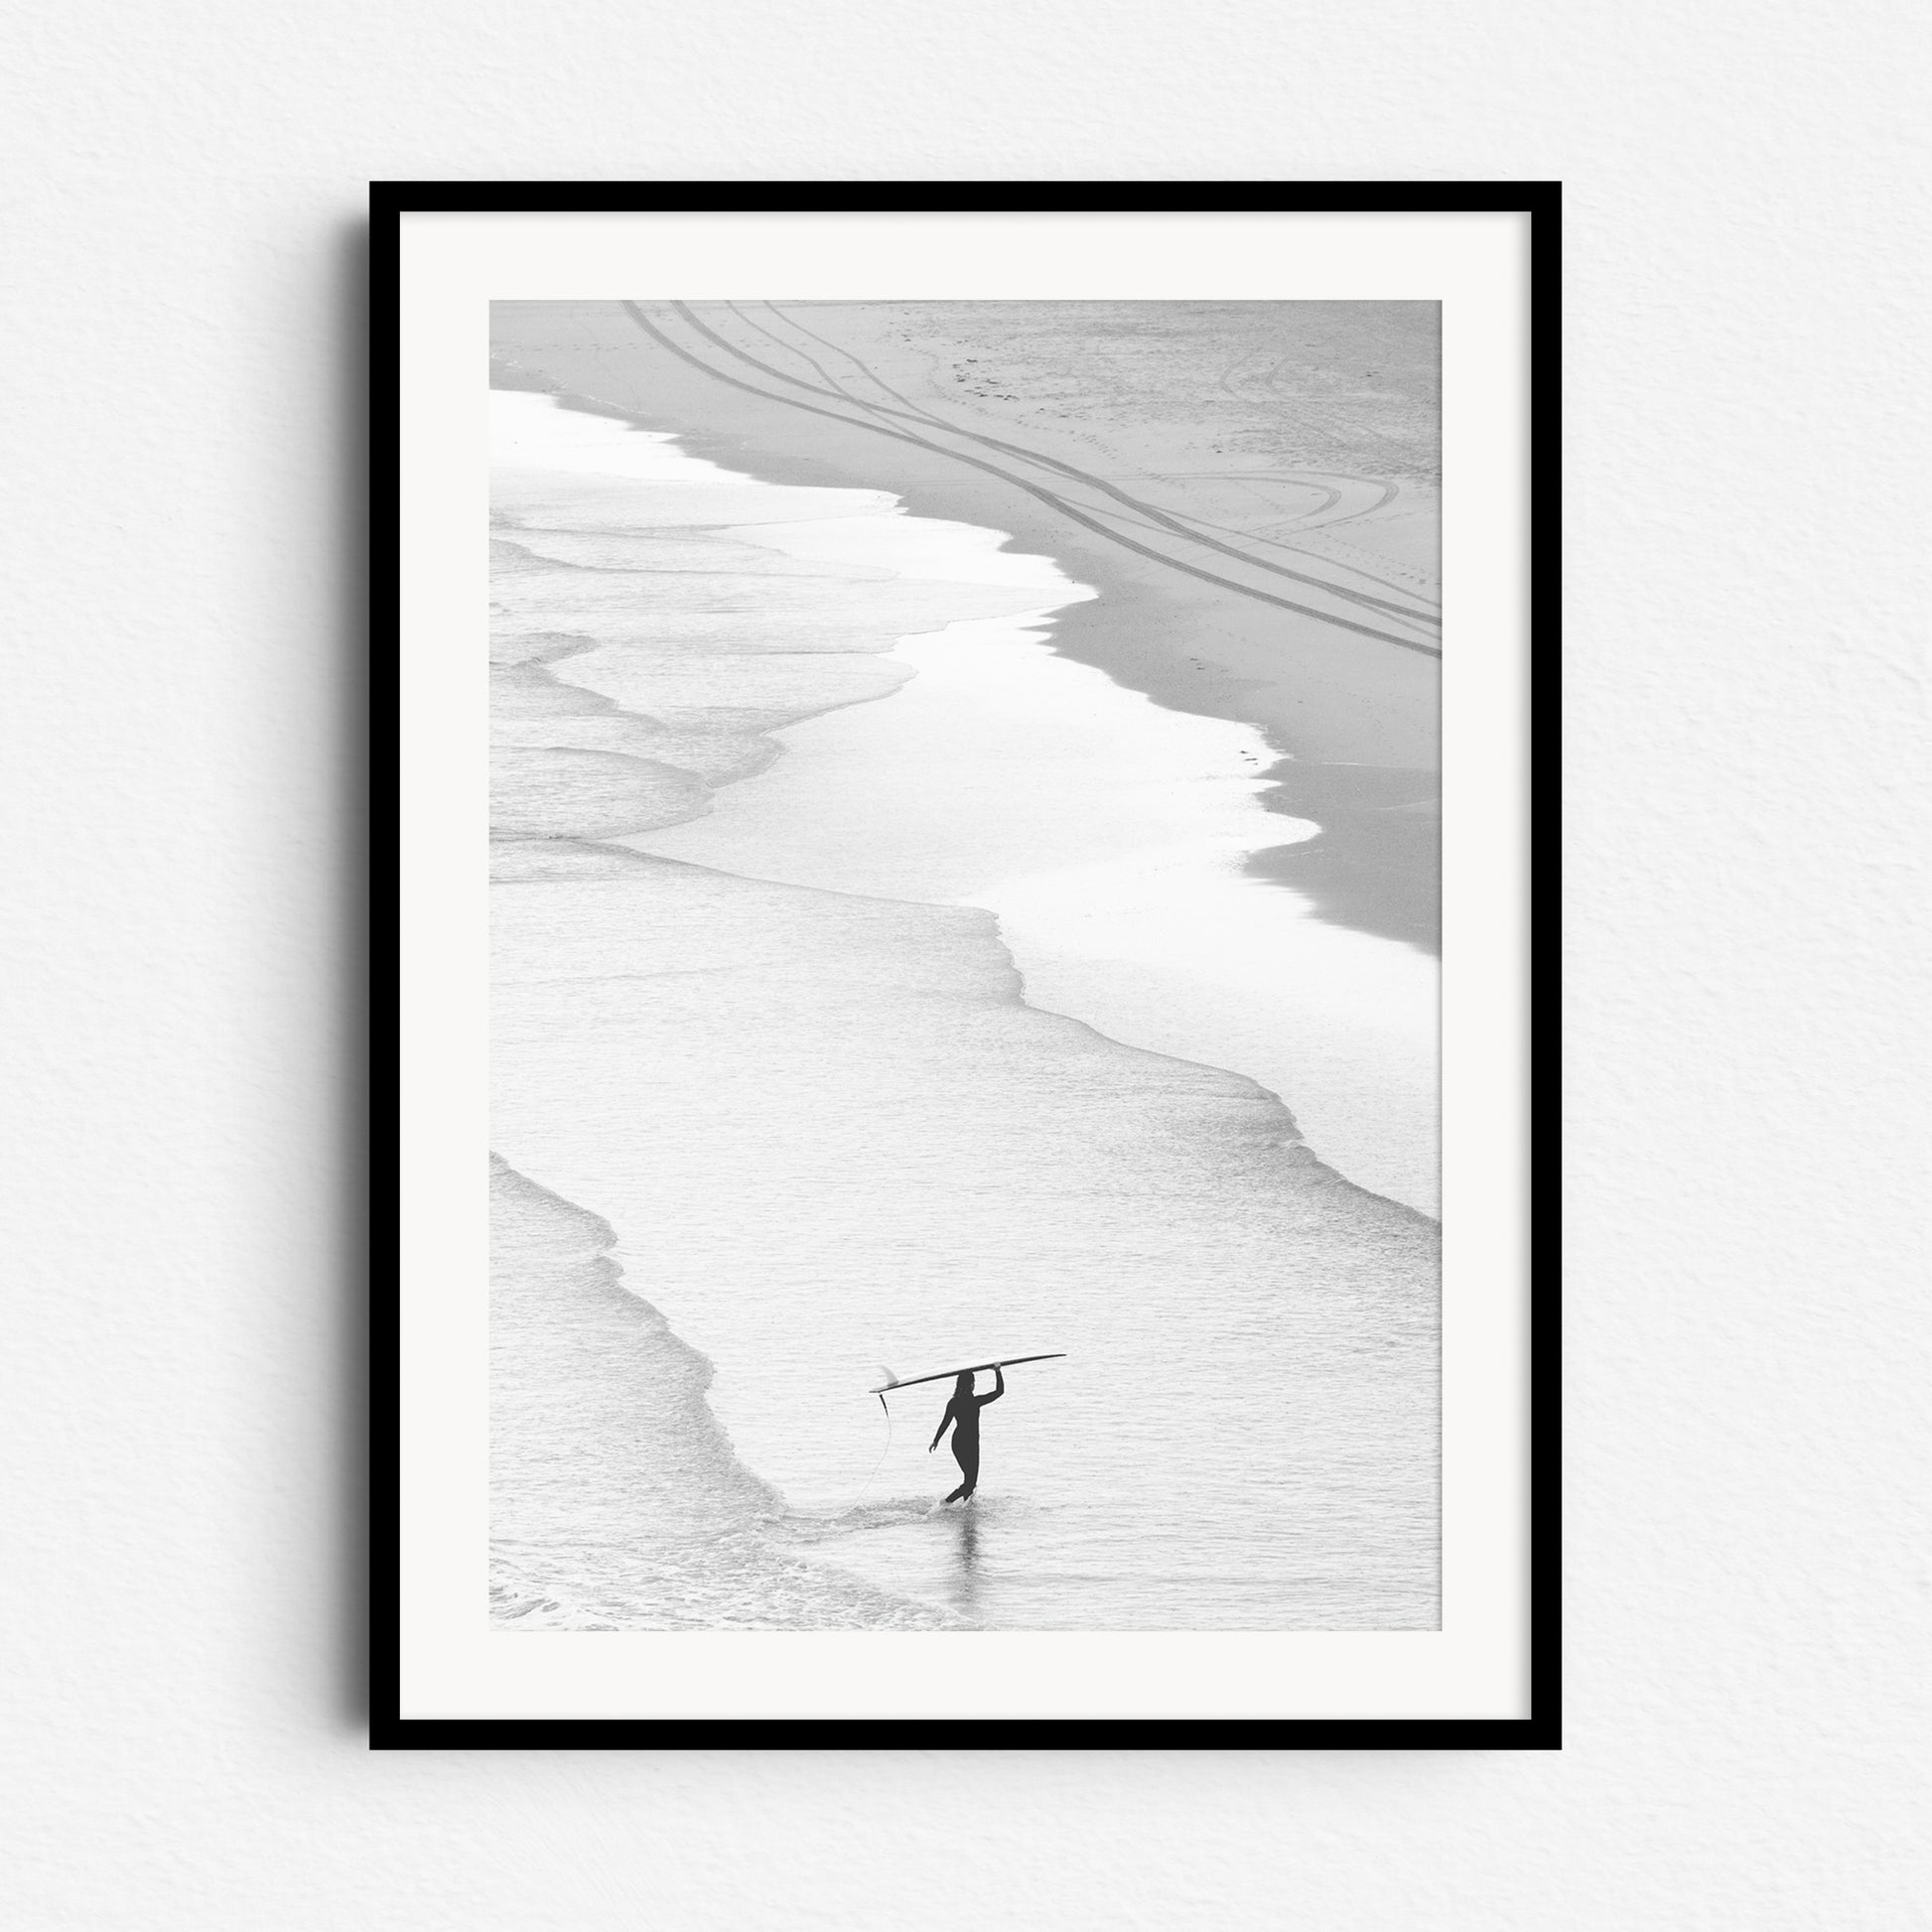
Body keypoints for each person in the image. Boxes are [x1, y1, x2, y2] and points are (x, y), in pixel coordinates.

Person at [929, 1365, 1003, 1502]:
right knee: (970, 1482)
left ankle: (967, 1513)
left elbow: (945, 1423)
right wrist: (998, 1371)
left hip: (958, 1443)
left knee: (969, 1481)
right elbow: (999, 1391)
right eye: (973, 1383)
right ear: (971, 1385)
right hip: (971, 1444)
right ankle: (946, 1503)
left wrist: (936, 1440)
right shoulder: (975, 1401)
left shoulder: (953, 1402)